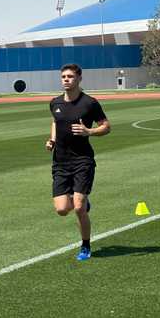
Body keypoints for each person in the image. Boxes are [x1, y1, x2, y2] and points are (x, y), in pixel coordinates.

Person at [46, 63, 110, 261]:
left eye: (70, 76)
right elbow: (55, 122)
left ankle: (85, 245)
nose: (66, 79)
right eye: (64, 76)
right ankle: (82, 200)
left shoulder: (89, 103)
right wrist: (52, 140)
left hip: (83, 160)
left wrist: (89, 131)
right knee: (62, 209)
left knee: (79, 207)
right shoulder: (55, 103)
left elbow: (106, 126)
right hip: (61, 163)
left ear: (79, 79)